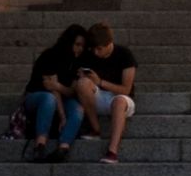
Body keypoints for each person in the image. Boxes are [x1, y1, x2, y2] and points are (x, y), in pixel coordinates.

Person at [20, 22, 91, 156]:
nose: (80, 49)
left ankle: (63, 147)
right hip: (36, 96)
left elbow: (71, 90)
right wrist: (62, 116)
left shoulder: (79, 61)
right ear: (68, 42)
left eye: (83, 46)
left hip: (63, 98)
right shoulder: (50, 56)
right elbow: (50, 88)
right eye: (77, 44)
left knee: (78, 109)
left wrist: (58, 86)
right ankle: (40, 143)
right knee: (49, 98)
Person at [74, 22, 137, 163]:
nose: (96, 52)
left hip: (121, 98)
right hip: (98, 98)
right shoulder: (90, 55)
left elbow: (126, 89)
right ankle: (96, 129)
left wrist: (100, 82)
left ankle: (112, 151)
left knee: (119, 101)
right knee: (82, 84)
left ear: (109, 43)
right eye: (93, 49)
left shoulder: (125, 55)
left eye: (99, 49)